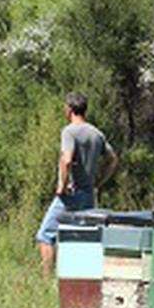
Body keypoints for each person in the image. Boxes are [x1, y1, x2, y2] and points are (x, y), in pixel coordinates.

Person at [35, 90, 117, 275]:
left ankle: (45, 278)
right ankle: (81, 279)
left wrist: (61, 186)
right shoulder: (97, 133)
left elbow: (66, 159)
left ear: (69, 109)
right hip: (88, 194)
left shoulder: (69, 131)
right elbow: (112, 159)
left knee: (45, 235)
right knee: (83, 239)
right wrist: (99, 181)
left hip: (70, 194)